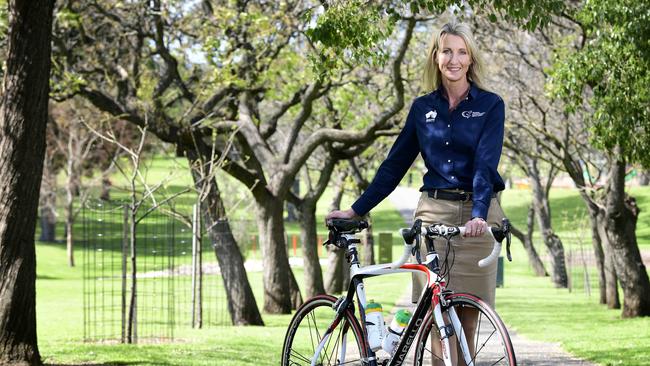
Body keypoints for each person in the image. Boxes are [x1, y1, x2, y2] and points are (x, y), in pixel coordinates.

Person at [326, 20, 506, 363]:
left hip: (477, 220)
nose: (454, 59)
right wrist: (356, 210)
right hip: (433, 215)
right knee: (436, 321)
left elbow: (486, 164)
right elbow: (394, 166)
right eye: (447, 51)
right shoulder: (423, 109)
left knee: (467, 320)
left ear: (470, 59)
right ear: (435, 58)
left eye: (462, 52)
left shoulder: (490, 105)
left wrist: (480, 214)